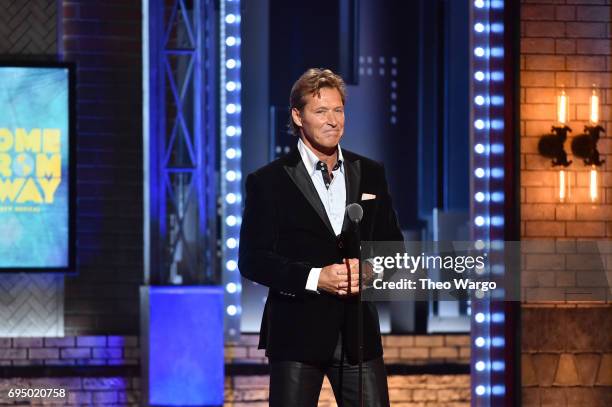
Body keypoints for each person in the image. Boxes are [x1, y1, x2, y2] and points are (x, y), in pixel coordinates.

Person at [239, 68, 403, 407]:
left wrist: (371, 271)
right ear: (298, 116)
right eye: (321, 111)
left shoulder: (370, 172)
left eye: (338, 110)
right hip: (297, 332)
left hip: (358, 334)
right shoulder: (268, 181)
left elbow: (394, 247)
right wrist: (317, 278)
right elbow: (253, 259)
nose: (333, 120)